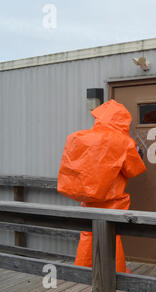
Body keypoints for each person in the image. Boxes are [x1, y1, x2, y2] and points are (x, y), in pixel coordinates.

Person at [57, 99, 146, 273]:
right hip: (111, 202)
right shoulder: (123, 142)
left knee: (87, 235)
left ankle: (81, 272)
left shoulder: (78, 137)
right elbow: (133, 170)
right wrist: (138, 155)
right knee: (112, 237)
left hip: (87, 200)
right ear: (121, 121)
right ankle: (116, 272)